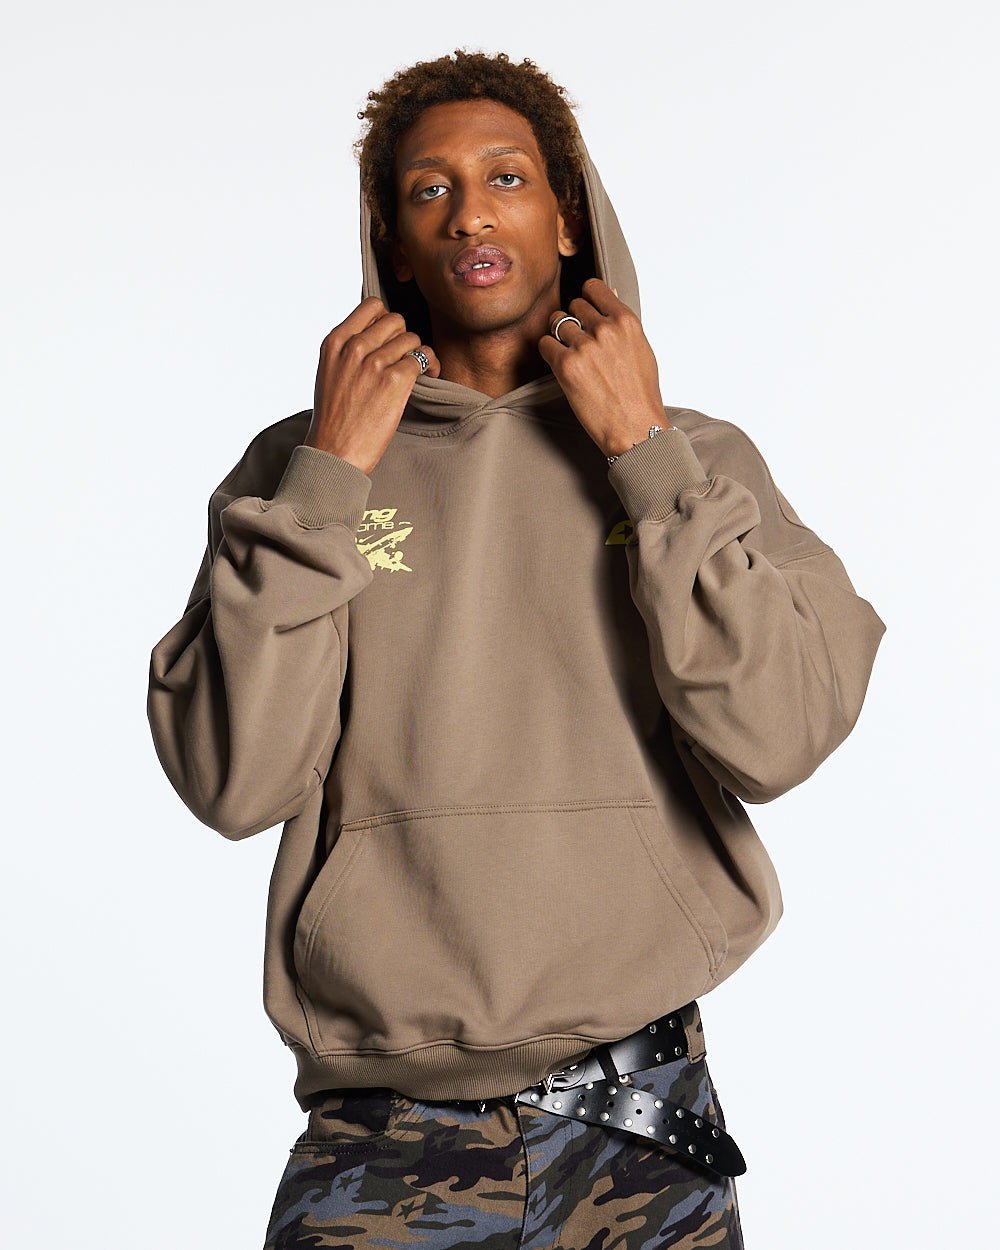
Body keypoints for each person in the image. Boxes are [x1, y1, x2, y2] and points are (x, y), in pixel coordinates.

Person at [147, 48, 887, 1250]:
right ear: (392, 242)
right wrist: (330, 478)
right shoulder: (301, 467)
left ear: (566, 217)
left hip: (635, 1108)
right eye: (428, 188)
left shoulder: (693, 456)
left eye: (506, 176)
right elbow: (234, 780)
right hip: (381, 1123)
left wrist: (643, 452)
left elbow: (780, 734)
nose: (470, 212)